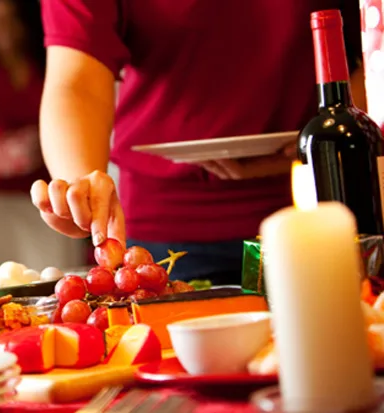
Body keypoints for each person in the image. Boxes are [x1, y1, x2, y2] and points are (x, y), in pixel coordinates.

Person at [30, 0, 365, 284]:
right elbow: (76, 80)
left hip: (325, 213)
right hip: (167, 233)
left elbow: (365, 47)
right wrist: (81, 185)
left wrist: (323, 146)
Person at [0, 0, 84, 278]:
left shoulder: (48, 70)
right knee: (5, 283)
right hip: (1, 202)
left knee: (56, 279)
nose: (1, 29)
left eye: (8, 19)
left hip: (50, 200)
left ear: (23, 23)